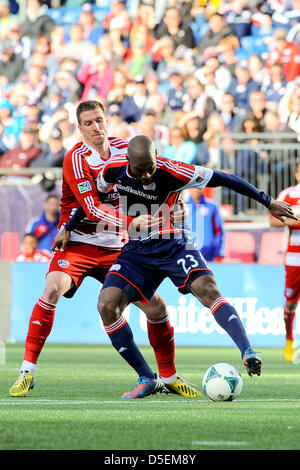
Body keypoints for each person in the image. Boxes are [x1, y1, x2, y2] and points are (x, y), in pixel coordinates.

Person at [63, 135, 296, 398]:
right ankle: (146, 377)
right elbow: (91, 200)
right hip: (137, 251)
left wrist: (267, 201)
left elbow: (224, 178)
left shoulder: (172, 170)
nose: (147, 177)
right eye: (140, 171)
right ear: (128, 161)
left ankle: (247, 351)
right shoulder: (112, 169)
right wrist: (68, 228)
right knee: (107, 304)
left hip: (174, 244)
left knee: (208, 290)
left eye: (150, 169)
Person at [9, 100, 200, 400]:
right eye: (88, 123)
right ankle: (26, 372)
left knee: (157, 308)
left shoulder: (128, 149)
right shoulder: (75, 158)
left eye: (99, 120)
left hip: (117, 245)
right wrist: (131, 220)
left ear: (107, 121)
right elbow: (92, 208)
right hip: (79, 244)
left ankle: (169, 377)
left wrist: (174, 202)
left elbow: (159, 175)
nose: (96, 127)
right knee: (50, 291)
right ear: (80, 128)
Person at [269, 160, 300, 362]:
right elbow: (272, 219)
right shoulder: (288, 194)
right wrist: (294, 220)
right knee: (290, 304)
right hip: (294, 260)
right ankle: (289, 339)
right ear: (297, 174)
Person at [185, 188, 225, 262]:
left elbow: (219, 231)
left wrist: (219, 253)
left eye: (197, 187)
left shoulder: (212, 206)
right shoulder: (182, 206)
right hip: (187, 253)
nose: (195, 190)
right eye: (192, 187)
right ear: (188, 188)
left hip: (207, 253)